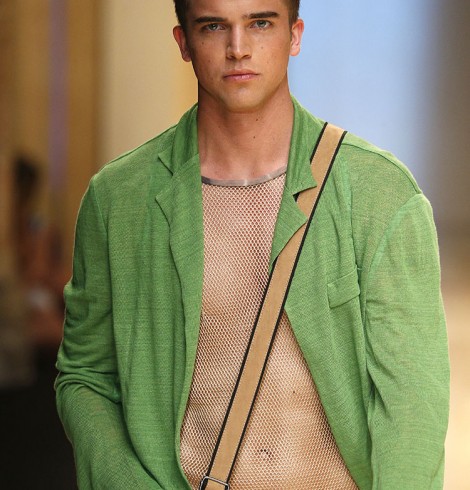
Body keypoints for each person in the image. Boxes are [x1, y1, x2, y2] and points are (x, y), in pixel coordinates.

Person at [55, 0, 450, 488]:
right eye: (213, 26)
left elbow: (412, 404)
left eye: (260, 23)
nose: (238, 48)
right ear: (184, 42)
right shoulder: (118, 200)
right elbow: (86, 375)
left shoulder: (380, 193)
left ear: (295, 35)